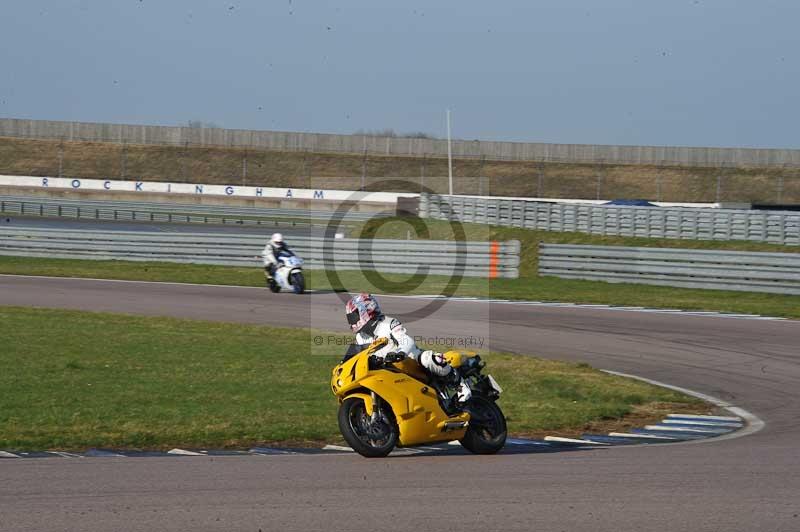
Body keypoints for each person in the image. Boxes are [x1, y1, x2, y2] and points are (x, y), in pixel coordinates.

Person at [344, 293, 472, 404]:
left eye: (353, 316)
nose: (352, 321)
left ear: (366, 310)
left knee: (428, 358)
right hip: (388, 370)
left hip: (409, 360)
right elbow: (352, 356)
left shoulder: (388, 323)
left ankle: (460, 384)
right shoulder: (361, 337)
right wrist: (342, 366)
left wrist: (400, 353)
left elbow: (407, 341)